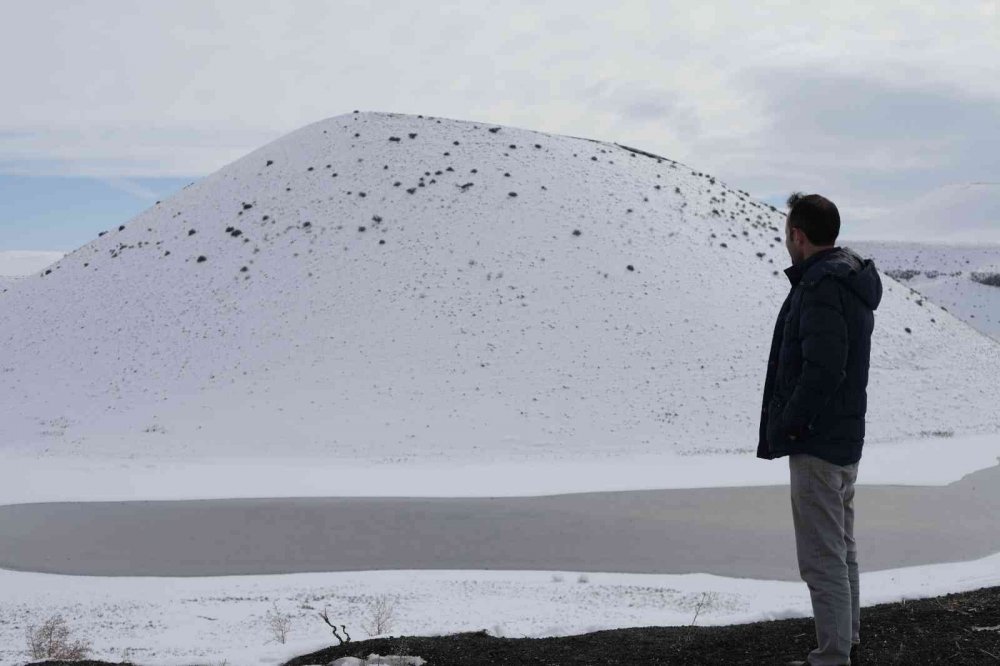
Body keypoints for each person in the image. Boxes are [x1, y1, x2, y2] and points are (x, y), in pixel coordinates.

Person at [757, 192, 882, 666]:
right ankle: (845, 639)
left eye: (787, 232)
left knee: (821, 555)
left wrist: (792, 423)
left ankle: (833, 656)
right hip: (844, 437)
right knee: (841, 545)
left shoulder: (820, 285)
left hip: (818, 440)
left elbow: (823, 368)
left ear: (798, 235)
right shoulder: (848, 280)